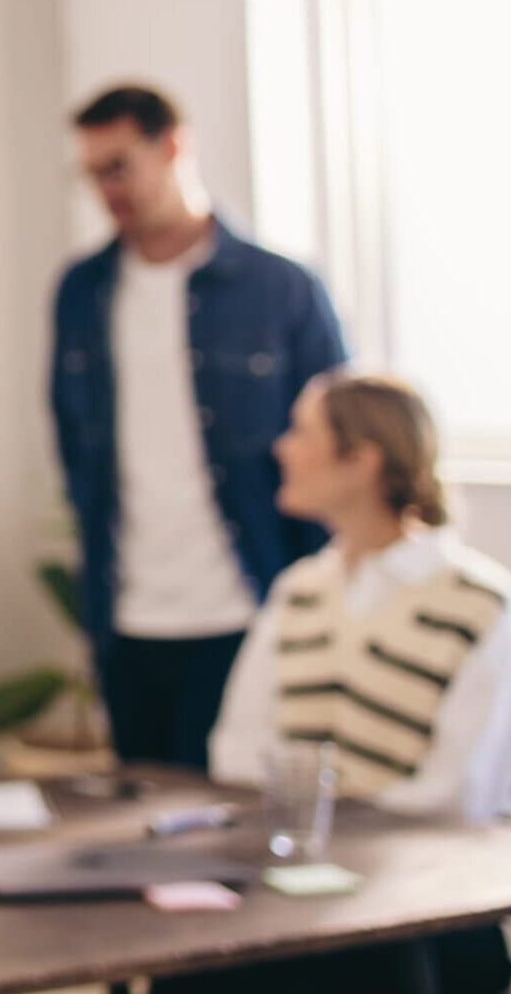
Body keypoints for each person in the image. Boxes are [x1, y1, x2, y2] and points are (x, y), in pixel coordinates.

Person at [142, 373, 511, 994]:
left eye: (302, 431)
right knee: (183, 979)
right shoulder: (298, 592)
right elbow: (238, 753)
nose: (280, 447)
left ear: (363, 460)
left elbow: (455, 798)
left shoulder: (481, 605)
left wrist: (318, 828)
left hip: (431, 917)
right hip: (299, 894)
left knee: (286, 989)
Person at [49, 83, 347, 769]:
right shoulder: (81, 292)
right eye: (91, 172)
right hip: (128, 621)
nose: (105, 188)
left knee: (233, 831)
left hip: (249, 608)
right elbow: (71, 443)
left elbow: (338, 440)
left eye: (118, 165)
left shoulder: (280, 288)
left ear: (173, 147)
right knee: (142, 832)